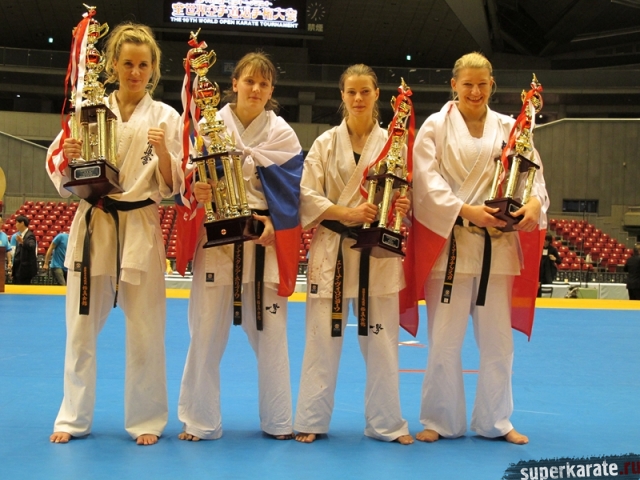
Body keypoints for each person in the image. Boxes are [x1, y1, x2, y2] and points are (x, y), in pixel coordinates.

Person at [46, 22, 183, 445]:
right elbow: (58, 167)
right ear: (113, 65)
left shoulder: (166, 117)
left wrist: (164, 151)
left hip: (140, 223)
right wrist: (68, 156)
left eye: (143, 65)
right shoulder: (89, 109)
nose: (135, 72)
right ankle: (72, 417)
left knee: (146, 329)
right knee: (81, 326)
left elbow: (173, 184)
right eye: (127, 63)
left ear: (153, 68)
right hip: (95, 222)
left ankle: (146, 419)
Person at [410, 52, 549, 445]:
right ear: (454, 84)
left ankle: (496, 420)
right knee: (444, 341)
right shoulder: (435, 127)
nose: (475, 91)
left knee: (498, 343)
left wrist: (533, 204)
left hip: (498, 248)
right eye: (467, 84)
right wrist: (466, 210)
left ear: (492, 85)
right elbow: (426, 182)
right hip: (451, 246)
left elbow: (534, 177)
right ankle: (441, 419)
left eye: (482, 84)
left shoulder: (510, 127)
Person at [177, 52, 303, 441]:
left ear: (271, 90)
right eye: (249, 81)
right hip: (217, 238)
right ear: (234, 84)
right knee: (205, 331)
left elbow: (294, 194)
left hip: (263, 240)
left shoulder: (283, 134)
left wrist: (275, 224)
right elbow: (184, 179)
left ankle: (278, 420)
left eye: (264, 83)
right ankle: (200, 420)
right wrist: (195, 190)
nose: (256, 89)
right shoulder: (207, 125)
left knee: (272, 333)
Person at [293, 64, 413, 445]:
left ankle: (387, 423)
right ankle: (311, 418)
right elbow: (306, 195)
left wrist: (404, 204)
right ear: (342, 96)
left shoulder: (394, 144)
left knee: (382, 342)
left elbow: (408, 194)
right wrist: (346, 213)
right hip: (333, 250)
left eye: (365, 91)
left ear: (377, 94)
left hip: (377, 254)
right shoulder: (325, 143)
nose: (358, 98)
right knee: (321, 338)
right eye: (351, 92)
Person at [10, 215, 38, 285]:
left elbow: (32, 246)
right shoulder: (20, 235)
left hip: (25, 270)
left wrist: (23, 242)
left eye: (17, 222)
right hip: (18, 268)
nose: (16, 225)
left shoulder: (30, 235)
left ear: (22, 223)